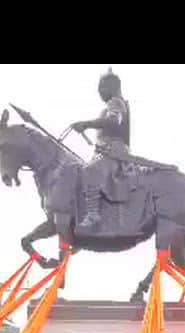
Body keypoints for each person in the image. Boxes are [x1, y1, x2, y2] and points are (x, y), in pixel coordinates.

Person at [69, 69, 132, 235]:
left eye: (101, 88)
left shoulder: (116, 102)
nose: (99, 92)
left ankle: (93, 214)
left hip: (114, 151)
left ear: (112, 87)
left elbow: (113, 120)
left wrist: (86, 124)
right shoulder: (112, 104)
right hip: (104, 152)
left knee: (90, 170)